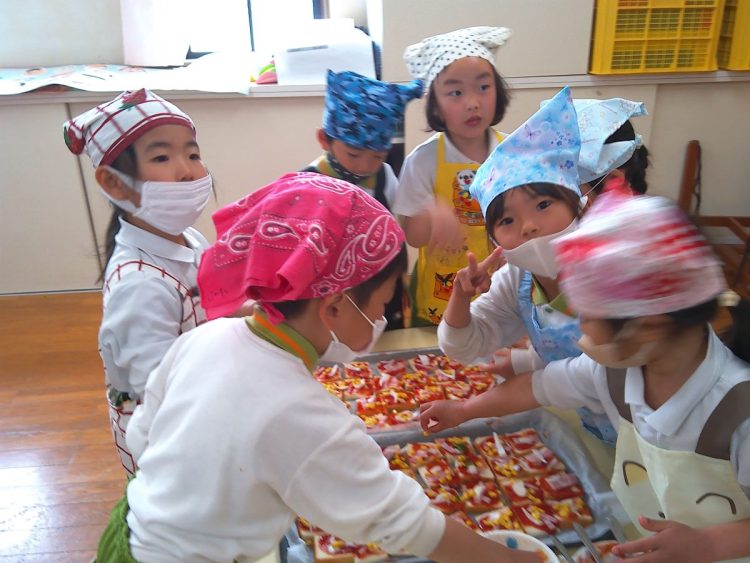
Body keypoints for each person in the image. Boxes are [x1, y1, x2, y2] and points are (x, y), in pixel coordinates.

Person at [94, 172, 539, 563]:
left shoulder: (205, 337)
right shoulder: (298, 411)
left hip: (128, 534)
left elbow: (143, 436)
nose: (383, 318)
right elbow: (404, 521)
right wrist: (507, 560)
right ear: (334, 307)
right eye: (383, 303)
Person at [421, 189, 750, 563]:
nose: (578, 330)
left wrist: (708, 545)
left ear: (649, 325)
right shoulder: (614, 371)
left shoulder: (738, 414)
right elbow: (537, 387)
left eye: (587, 317)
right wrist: (463, 410)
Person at [433, 86, 616, 444]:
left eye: (543, 206)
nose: (528, 226)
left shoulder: (611, 273)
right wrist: (460, 297)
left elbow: (580, 377)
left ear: (579, 204)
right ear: (495, 240)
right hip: (596, 427)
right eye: (507, 221)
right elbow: (463, 346)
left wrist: (469, 408)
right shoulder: (520, 279)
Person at [63, 89, 213, 476]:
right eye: (162, 158)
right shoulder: (139, 284)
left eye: (193, 154)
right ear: (114, 184)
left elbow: (212, 305)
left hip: (204, 401)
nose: (188, 171)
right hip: (170, 440)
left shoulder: (191, 240)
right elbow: (159, 390)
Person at [492, 96, 650, 378]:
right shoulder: (556, 257)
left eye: (559, 194)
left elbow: (604, 375)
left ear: (613, 183)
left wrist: (527, 370)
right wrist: (530, 360)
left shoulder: (637, 263)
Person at [392, 26, 512, 326]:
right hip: (440, 293)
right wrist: (431, 213)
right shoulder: (423, 161)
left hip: (499, 289)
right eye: (456, 92)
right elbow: (413, 238)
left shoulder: (512, 152)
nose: (472, 102)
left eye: (483, 87)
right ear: (434, 103)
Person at [303, 69, 422, 329]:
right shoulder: (308, 183)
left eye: (377, 157)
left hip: (381, 292)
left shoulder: (385, 177)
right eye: (353, 155)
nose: (365, 166)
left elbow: (402, 224)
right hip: (330, 298)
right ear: (324, 140)